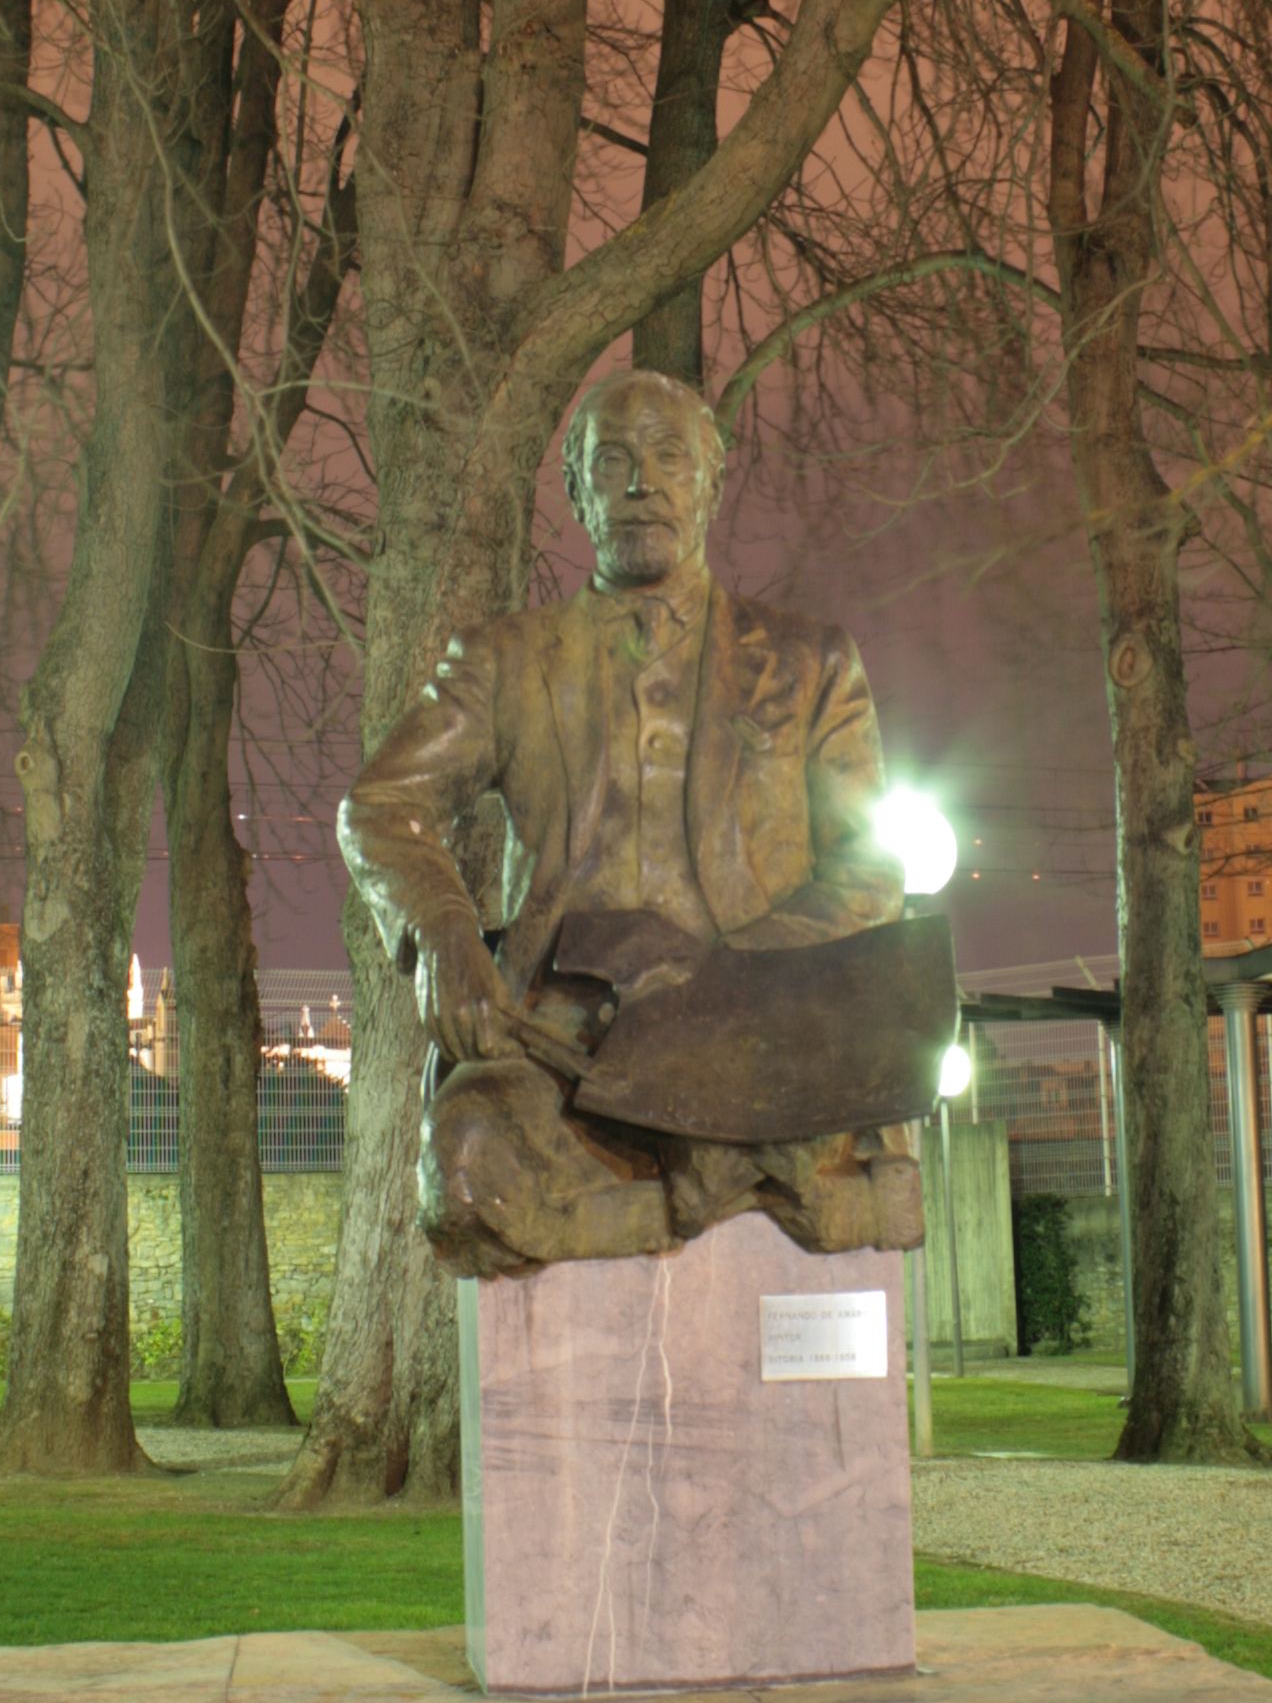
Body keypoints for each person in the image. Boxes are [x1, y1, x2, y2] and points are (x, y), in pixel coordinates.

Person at [339, 371, 928, 1272]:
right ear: (578, 490)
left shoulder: (812, 664)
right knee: (466, 1168)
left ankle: (731, 1172)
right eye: (612, 462)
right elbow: (382, 805)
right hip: (568, 1050)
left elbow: (870, 869)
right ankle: (695, 1189)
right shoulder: (505, 661)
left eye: (668, 458)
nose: (642, 483)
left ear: (710, 482)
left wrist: (724, 980)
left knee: (814, 1123)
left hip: (758, 1024)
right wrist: (444, 931)